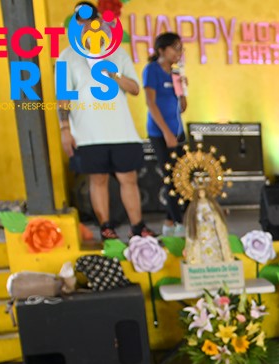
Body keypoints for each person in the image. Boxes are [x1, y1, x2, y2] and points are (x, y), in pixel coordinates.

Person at [58, 2, 153, 240]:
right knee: (97, 179)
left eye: (90, 22)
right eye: (80, 23)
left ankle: (138, 227)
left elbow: (135, 88)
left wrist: (113, 73)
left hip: (121, 131)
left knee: (128, 178)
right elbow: (63, 96)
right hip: (87, 133)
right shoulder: (66, 56)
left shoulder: (118, 53)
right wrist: (64, 129)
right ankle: (106, 228)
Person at [143, 32, 188, 237]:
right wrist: (166, 133)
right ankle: (179, 222)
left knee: (182, 176)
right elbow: (150, 103)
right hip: (160, 132)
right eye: (175, 48)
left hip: (177, 131)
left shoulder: (176, 73)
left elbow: (182, 107)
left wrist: (183, 90)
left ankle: (169, 223)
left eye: (181, 48)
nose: (179, 52)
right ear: (161, 50)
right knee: (170, 177)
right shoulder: (152, 70)